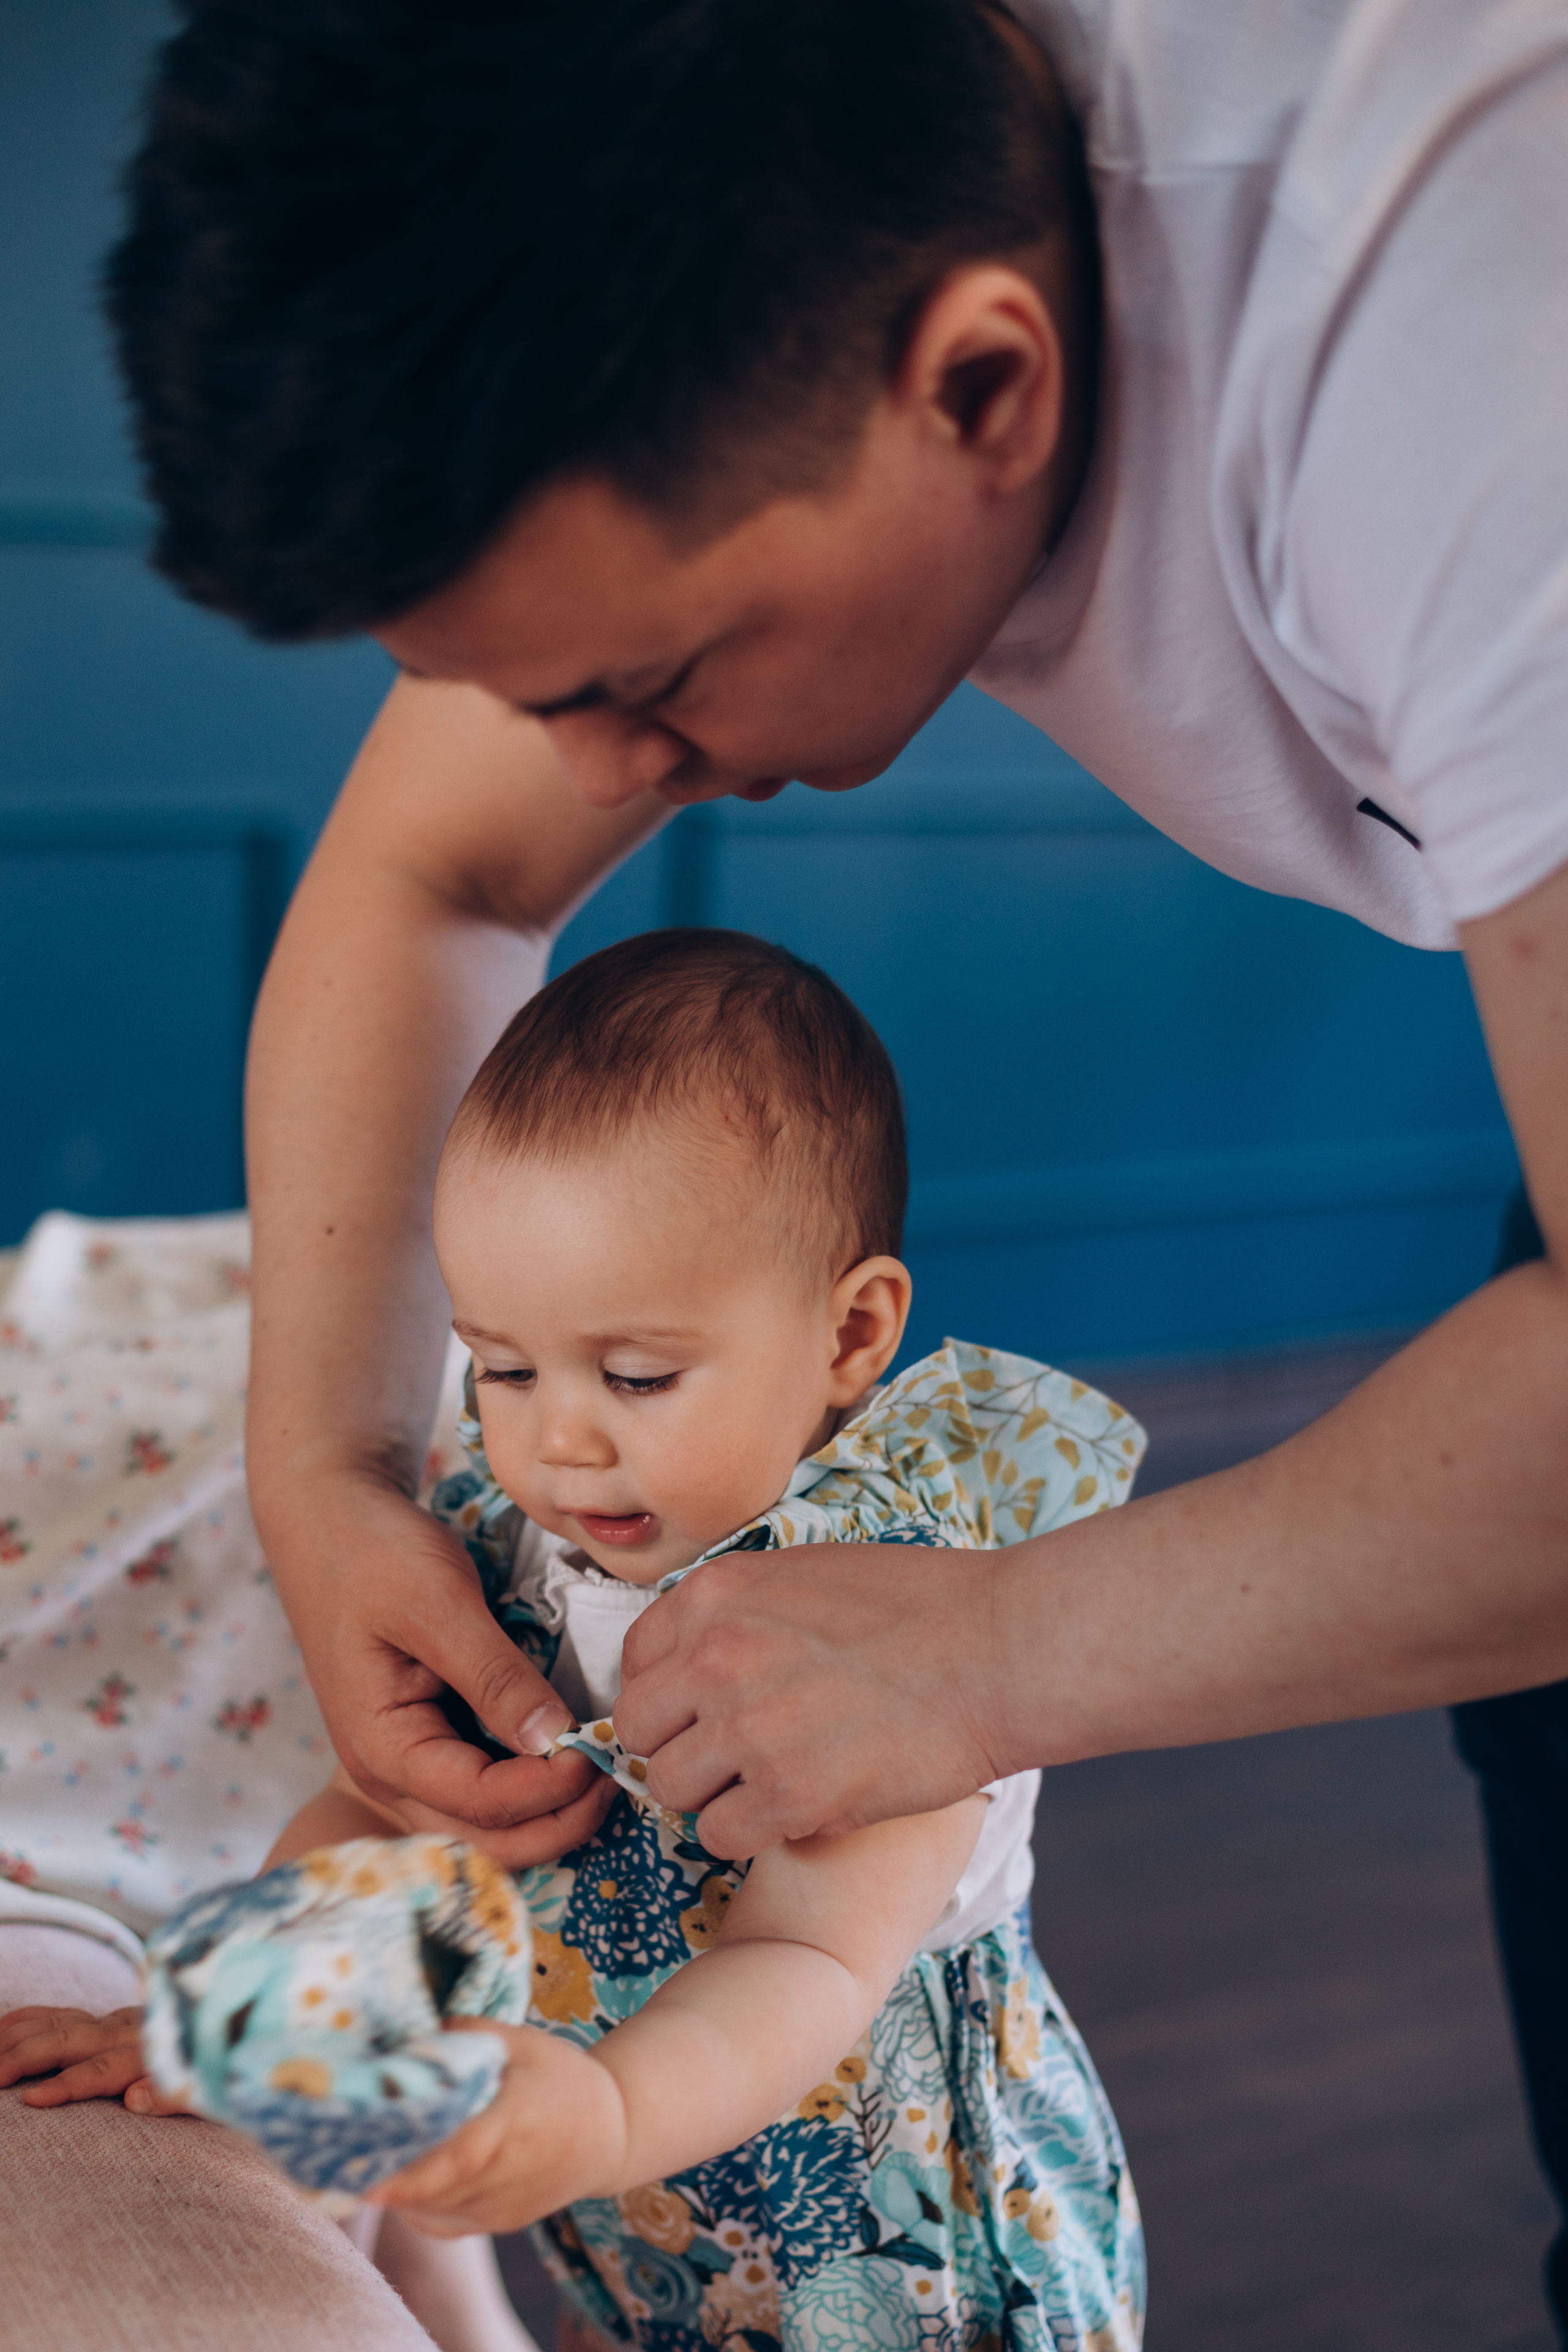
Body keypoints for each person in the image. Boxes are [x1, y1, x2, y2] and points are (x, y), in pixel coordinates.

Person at [100, 0, 1568, 2327]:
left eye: (657, 677)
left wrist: (1000, 1649)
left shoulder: (1469, 313)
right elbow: (426, 886)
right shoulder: (687, 249)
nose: (594, 772)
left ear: (978, 385)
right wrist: (328, 1466)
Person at [1, 933, 1147, 2352]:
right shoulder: (509, 1535)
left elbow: (809, 1960)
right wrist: (231, 2019)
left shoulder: (887, 1622)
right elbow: (387, 1810)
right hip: (623, 2209)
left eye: (637, 1374)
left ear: (850, 1334)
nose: (555, 1436)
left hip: (889, 2256)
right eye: (501, 1365)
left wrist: (602, 2111)